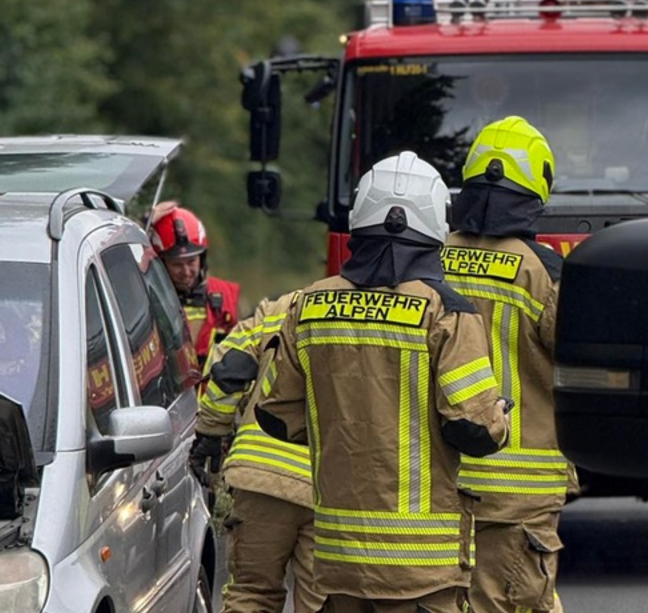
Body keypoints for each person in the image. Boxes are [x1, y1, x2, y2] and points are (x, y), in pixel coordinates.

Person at [254, 152, 511, 613]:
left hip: (339, 560)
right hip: (422, 569)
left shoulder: (309, 305)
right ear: (436, 224)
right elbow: (475, 432)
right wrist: (500, 418)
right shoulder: (446, 312)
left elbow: (275, 416)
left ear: (359, 218)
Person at [443, 116, 576, 613]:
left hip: (440, 480)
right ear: (536, 189)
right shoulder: (541, 272)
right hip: (519, 494)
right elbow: (580, 360)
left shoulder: (427, 260)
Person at [194, 291, 324, 613]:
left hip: (261, 477)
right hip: (333, 487)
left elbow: (230, 369)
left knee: (251, 595)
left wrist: (212, 429)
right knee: (324, 601)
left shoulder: (282, 308)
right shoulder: (398, 312)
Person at [149, 204, 240, 365]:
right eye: (176, 264)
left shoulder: (227, 294)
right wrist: (140, 225)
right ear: (161, 264)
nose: (186, 271)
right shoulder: (147, 298)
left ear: (202, 259)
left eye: (191, 261)